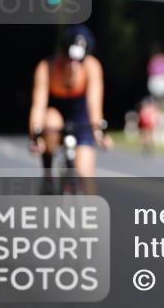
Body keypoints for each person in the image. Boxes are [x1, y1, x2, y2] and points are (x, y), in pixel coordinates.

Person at [28, 25, 110, 192]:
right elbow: (38, 106)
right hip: (54, 112)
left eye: (79, 60)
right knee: (51, 123)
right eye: (69, 59)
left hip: (80, 115)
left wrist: (100, 131)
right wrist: (35, 136)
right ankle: (48, 175)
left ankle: (89, 214)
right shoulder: (46, 68)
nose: (73, 65)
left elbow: (94, 105)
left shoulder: (92, 67)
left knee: (86, 173)